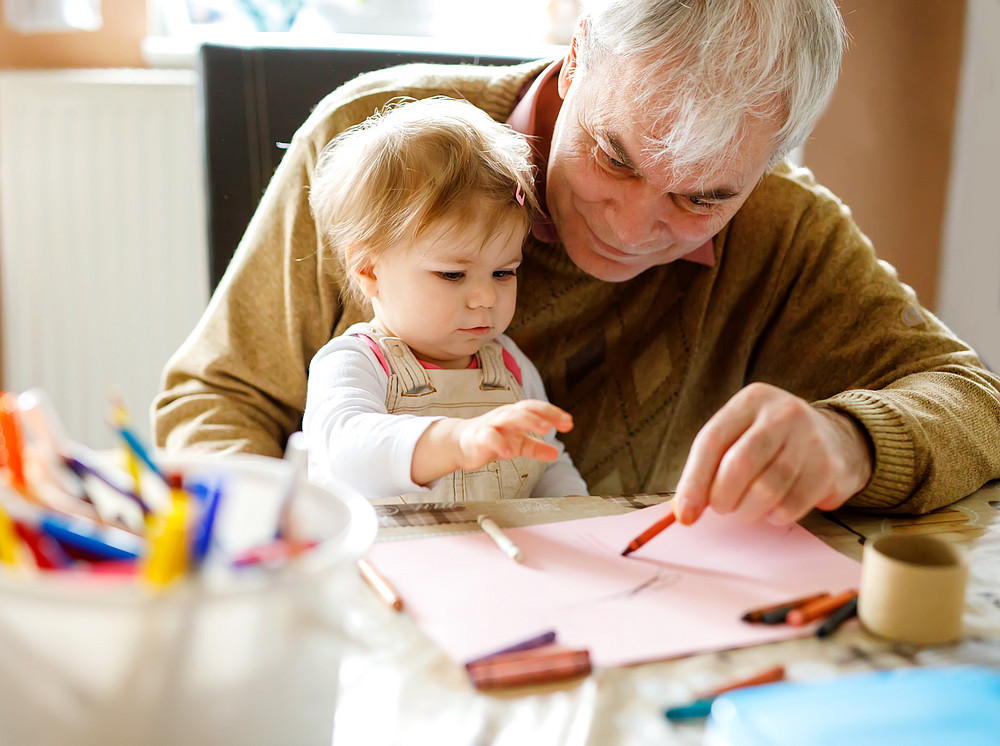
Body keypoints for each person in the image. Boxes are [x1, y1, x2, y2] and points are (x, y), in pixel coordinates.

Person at [154, 0, 1000, 525]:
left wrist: (850, 440)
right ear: (581, 44)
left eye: (701, 198)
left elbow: (975, 401)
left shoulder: (784, 231)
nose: (631, 228)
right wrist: (281, 559)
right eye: (614, 155)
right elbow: (217, 397)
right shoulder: (370, 144)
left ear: (772, 159)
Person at [301, 97, 587, 500]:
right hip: (387, 559)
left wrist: (578, 517)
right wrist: (457, 441)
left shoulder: (510, 366)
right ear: (369, 271)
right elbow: (344, 453)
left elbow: (547, 460)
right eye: (453, 274)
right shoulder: (355, 362)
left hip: (495, 558)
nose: (486, 296)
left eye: (503, 272)